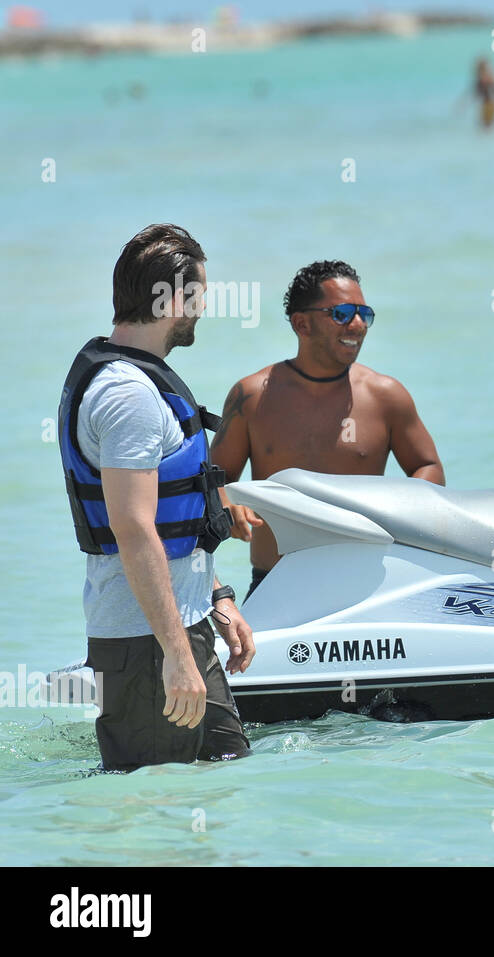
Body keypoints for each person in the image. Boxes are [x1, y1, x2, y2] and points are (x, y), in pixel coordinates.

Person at [57, 223, 254, 772]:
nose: (204, 307)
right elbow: (134, 527)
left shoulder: (139, 380)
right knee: (149, 814)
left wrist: (216, 597)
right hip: (148, 644)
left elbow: (177, 521)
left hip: (178, 631)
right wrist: (174, 653)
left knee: (224, 780)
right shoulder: (129, 397)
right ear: (172, 299)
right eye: (199, 294)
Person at [211, 261, 445, 597]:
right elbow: (215, 477)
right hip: (276, 583)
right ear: (302, 324)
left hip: (367, 585)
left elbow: (428, 467)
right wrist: (227, 504)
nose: (358, 324)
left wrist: (397, 511)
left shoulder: (385, 395)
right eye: (342, 313)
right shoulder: (252, 396)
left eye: (365, 313)